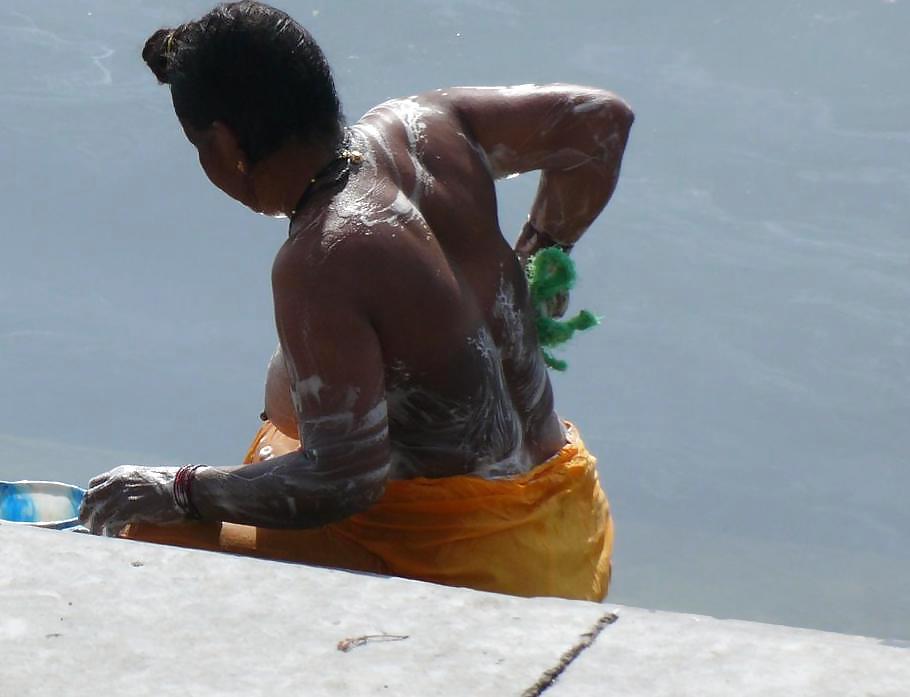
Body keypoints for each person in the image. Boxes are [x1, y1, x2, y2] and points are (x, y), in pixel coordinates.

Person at [79, 0, 633, 602]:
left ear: (223, 142)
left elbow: (343, 479)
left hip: (475, 569)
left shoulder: (322, 256)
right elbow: (600, 122)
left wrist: (180, 489)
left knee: (148, 528)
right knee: (278, 445)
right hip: (568, 522)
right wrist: (541, 250)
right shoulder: (425, 124)